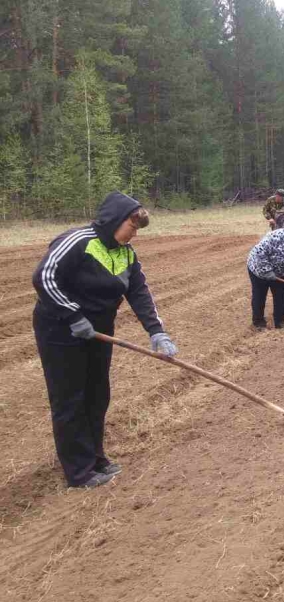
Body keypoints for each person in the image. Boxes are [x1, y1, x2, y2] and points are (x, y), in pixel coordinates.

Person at [32, 192, 177, 489]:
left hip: (99, 331)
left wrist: (156, 332)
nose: (134, 234)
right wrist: (72, 315)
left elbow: (139, 292)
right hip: (60, 330)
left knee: (97, 394)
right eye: (132, 227)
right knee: (70, 398)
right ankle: (79, 472)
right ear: (114, 219)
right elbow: (43, 277)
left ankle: (95, 457)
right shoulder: (79, 241)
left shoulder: (126, 252)